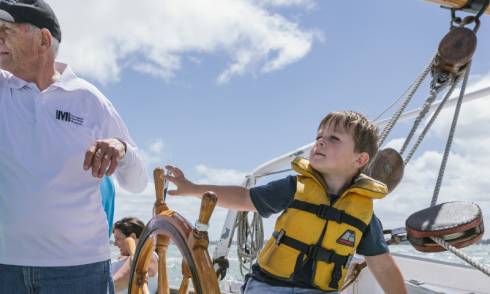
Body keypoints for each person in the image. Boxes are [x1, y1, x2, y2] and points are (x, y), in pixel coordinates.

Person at [166, 111, 407, 293]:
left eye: (333, 138)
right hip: (267, 286)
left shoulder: (363, 214)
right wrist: (193, 188)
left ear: (360, 159)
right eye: (319, 136)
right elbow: (244, 197)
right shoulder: (295, 187)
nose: (320, 142)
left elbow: (383, 267)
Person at [0, 1, 147, 293]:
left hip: (80, 270)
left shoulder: (88, 99)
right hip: (6, 267)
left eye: (5, 31)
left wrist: (120, 148)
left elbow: (137, 181)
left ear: (43, 40)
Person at [112, 217, 158, 293]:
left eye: (118, 239)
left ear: (132, 237)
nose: (115, 243)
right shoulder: (126, 257)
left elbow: (116, 283)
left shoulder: (146, 256)